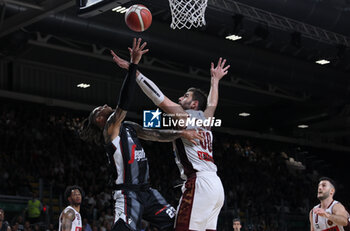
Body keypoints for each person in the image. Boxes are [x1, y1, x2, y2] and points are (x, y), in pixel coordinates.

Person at [80, 38, 203, 231]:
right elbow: (124, 102)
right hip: (127, 194)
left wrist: (180, 133)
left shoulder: (128, 126)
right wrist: (133, 66)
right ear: (99, 119)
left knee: (176, 224)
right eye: (100, 109)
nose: (105, 106)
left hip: (147, 191)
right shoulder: (110, 130)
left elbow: (154, 134)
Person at [111, 43, 230, 231]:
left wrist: (133, 70)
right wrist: (215, 81)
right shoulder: (205, 120)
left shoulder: (186, 117)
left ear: (194, 104)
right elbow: (213, 102)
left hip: (200, 183)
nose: (181, 98)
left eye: (186, 96)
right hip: (217, 187)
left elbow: (157, 96)